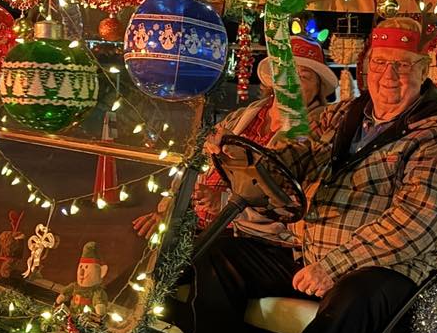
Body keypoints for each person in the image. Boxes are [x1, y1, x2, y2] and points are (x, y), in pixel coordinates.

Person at [186, 15, 437, 333]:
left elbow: (420, 222)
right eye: (380, 63)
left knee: (347, 305)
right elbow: (301, 154)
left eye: (402, 66)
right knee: (215, 261)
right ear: (365, 66)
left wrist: (338, 264)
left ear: (424, 71)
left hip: (386, 271)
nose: (389, 77)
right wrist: (255, 164)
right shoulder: (344, 116)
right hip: (309, 254)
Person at [131, 34, 335, 235]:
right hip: (194, 223)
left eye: (304, 77)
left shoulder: (315, 130)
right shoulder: (241, 117)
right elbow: (196, 161)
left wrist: (223, 203)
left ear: (318, 89)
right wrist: (170, 206)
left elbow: (287, 197)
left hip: (247, 236)